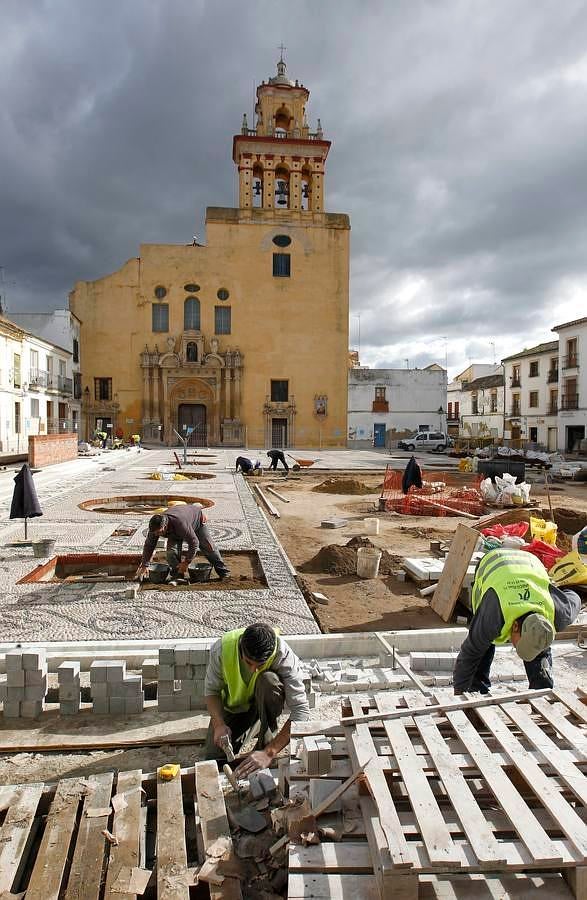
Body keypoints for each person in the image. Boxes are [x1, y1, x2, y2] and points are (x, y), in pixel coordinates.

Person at [453, 548, 580, 695]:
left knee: (539, 644)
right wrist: (459, 696)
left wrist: (553, 590)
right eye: (518, 645)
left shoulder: (561, 612)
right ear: (515, 626)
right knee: (482, 644)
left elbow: (574, 595)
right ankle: (476, 689)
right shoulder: (493, 615)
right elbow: (469, 654)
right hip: (494, 562)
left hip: (530, 563)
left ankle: (540, 694)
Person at [204, 623, 309, 778]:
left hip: (263, 703)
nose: (253, 669)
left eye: (259, 665)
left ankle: (265, 732)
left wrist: (270, 752)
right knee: (215, 758)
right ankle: (255, 724)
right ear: (240, 648)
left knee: (269, 680)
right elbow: (211, 692)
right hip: (235, 709)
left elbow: (301, 711)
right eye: (248, 662)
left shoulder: (283, 655)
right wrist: (219, 724)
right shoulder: (221, 650)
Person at [135, 504, 230, 581]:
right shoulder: (154, 529)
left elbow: (194, 542)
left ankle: (224, 572)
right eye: (155, 532)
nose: (157, 534)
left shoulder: (180, 523)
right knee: (171, 553)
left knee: (208, 547)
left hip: (196, 522)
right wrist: (144, 565)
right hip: (174, 531)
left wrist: (186, 562)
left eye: (159, 532)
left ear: (164, 526)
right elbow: (149, 545)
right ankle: (178, 576)